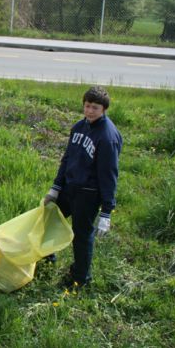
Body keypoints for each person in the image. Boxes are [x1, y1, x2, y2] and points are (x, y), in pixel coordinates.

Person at [44, 86, 123, 288]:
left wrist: (106, 212)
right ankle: (46, 260)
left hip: (88, 194)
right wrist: (56, 187)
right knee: (50, 221)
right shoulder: (79, 127)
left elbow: (109, 175)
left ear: (104, 109)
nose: (89, 111)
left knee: (81, 236)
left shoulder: (108, 137)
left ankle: (80, 279)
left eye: (95, 108)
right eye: (87, 106)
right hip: (69, 187)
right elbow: (67, 158)